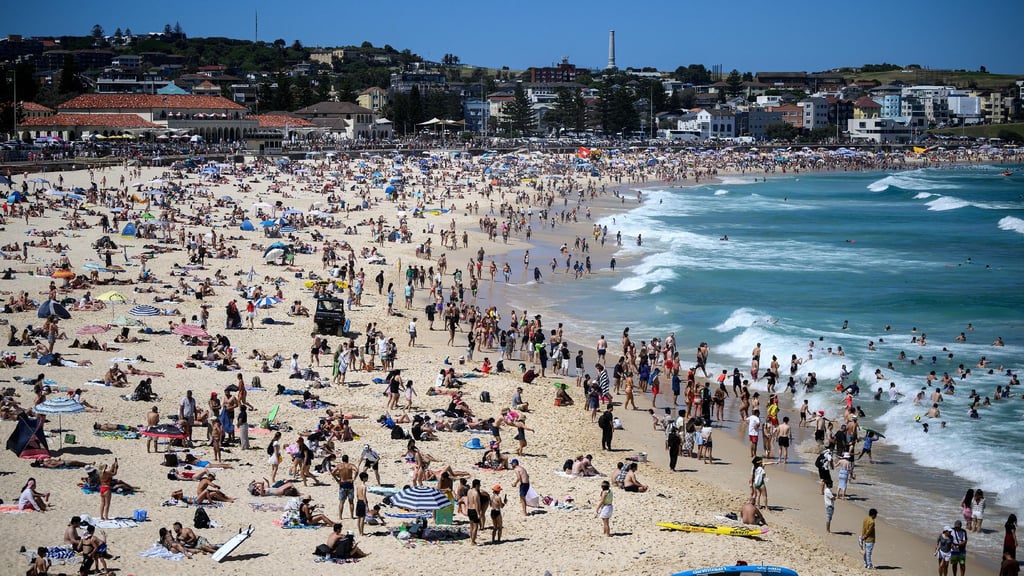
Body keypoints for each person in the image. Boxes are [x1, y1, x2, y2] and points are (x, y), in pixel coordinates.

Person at [332, 453, 358, 520]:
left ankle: (340, 517)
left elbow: (333, 472)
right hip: (349, 483)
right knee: (351, 501)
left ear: (342, 459)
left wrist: (337, 480)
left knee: (341, 502)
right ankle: (351, 516)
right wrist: (354, 478)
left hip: (342, 483)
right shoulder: (350, 465)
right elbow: (357, 470)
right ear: (348, 459)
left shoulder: (339, 466)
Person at [466, 478, 483, 545]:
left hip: (469, 509)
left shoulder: (469, 491)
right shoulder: (475, 493)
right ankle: (473, 541)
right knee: (475, 527)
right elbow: (476, 504)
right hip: (474, 511)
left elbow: (468, 501)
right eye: (479, 485)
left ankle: (472, 539)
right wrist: (478, 513)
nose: (480, 486)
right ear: (476, 485)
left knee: (471, 526)